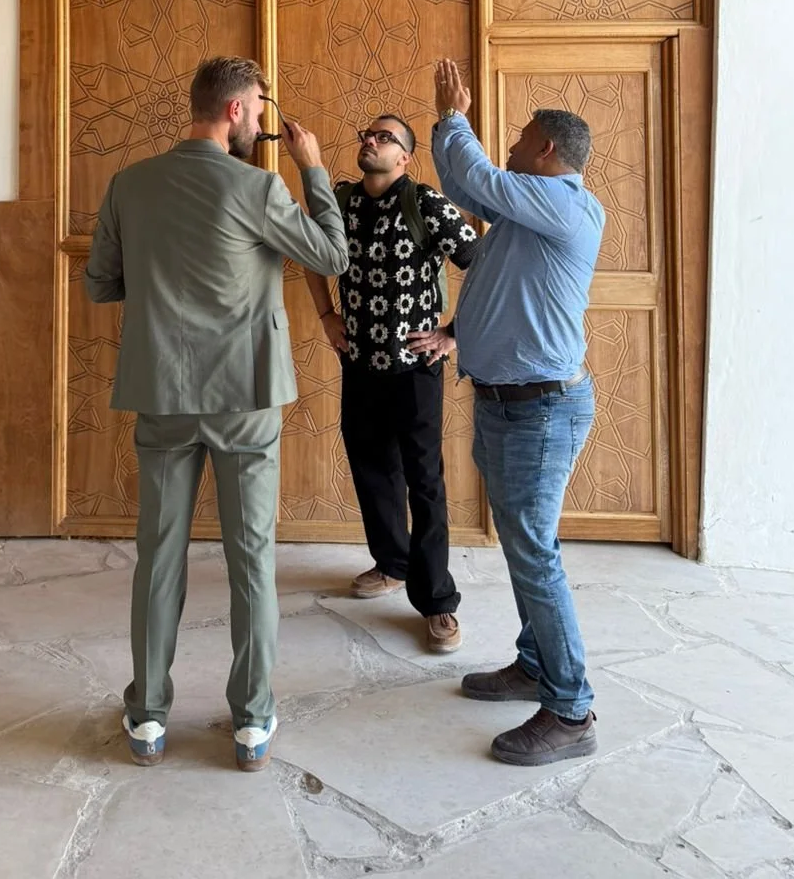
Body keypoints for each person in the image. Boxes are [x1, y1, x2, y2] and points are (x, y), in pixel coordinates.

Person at [84, 56, 348, 772]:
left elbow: (101, 284)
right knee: (251, 558)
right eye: (259, 108)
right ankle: (252, 723)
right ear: (235, 109)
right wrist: (312, 169)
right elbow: (332, 255)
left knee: (158, 555)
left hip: (162, 391)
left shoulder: (129, 184)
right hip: (244, 395)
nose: (262, 121)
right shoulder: (259, 187)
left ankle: (147, 716)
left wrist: (161, 280)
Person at [410, 58, 605, 767]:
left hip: (540, 411)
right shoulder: (527, 208)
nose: (512, 145)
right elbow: (467, 185)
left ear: (545, 149)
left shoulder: (565, 203)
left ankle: (571, 709)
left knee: (535, 555)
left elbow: (483, 178)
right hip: (506, 405)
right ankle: (534, 665)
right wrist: (445, 129)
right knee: (526, 550)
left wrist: (455, 117)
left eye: (521, 137)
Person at [304, 113, 477, 652]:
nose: (370, 141)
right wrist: (326, 315)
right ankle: (392, 563)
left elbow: (482, 263)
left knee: (424, 481)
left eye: (385, 138)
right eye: (367, 134)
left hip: (415, 369)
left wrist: (454, 334)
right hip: (358, 361)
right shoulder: (341, 201)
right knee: (371, 467)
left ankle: (438, 600)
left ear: (405, 156)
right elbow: (309, 253)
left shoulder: (425, 203)